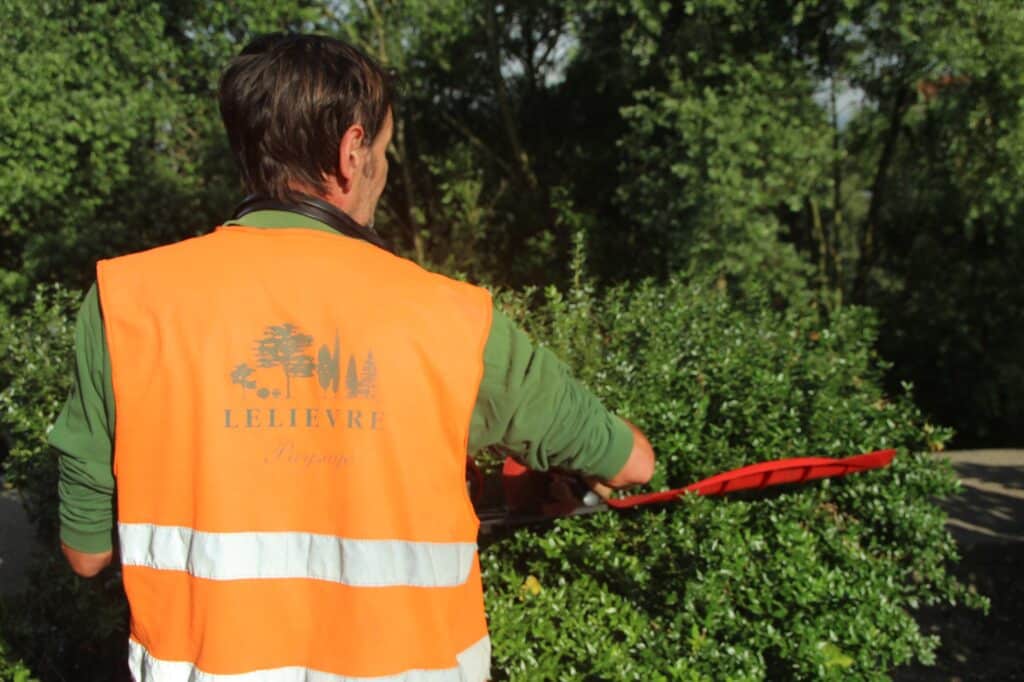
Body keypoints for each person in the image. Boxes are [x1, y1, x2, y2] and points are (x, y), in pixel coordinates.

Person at [51, 33, 655, 681]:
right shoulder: (453, 318)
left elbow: (86, 554)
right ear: (352, 152)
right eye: (385, 151)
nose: (383, 172)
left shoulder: (126, 301)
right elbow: (630, 462)